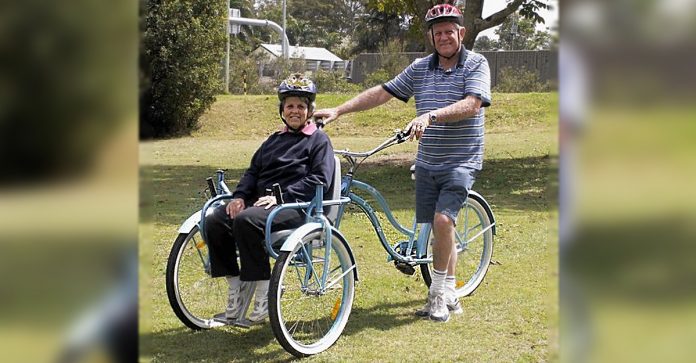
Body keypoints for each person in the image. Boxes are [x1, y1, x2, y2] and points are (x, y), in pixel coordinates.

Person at [314, 3, 491, 323]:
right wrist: (339, 110)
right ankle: (450, 290)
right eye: (438, 33)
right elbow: (383, 92)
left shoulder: (476, 64)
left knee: (442, 222)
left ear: (461, 33)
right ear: (431, 37)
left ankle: (437, 295)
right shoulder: (422, 68)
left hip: (461, 160)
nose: (444, 37)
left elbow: (473, 104)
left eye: (449, 31)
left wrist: (431, 115)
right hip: (427, 162)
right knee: (439, 228)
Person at [204, 74, 335, 324]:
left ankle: (264, 295)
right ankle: (237, 287)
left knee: (246, 221)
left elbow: (320, 180)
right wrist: (240, 196)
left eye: (300, 106)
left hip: (298, 207)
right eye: (290, 106)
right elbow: (253, 172)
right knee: (216, 220)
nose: (295, 111)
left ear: (309, 110)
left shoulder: (319, 141)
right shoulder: (273, 140)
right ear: (282, 110)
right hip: (261, 204)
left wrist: (280, 197)